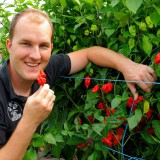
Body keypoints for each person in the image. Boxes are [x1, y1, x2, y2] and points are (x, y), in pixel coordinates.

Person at [0, 8, 157, 160]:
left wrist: (126, 65)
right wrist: (30, 119)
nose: (35, 55)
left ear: (51, 48)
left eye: (43, 46)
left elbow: (89, 53)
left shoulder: (46, 69)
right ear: (10, 46)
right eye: (26, 43)